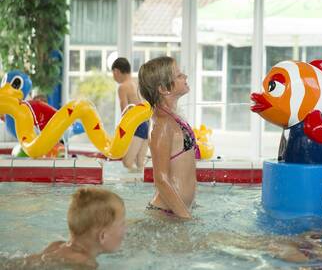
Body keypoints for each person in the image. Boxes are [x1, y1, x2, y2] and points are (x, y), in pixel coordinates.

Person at [138, 56, 199, 219]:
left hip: (177, 212)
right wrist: (186, 218)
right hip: (167, 215)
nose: (185, 77)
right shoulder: (162, 124)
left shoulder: (172, 117)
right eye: (179, 75)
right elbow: (161, 179)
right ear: (164, 89)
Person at [26, 187, 126, 269]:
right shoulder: (85, 263)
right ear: (103, 236)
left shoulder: (56, 245)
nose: (125, 230)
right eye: (122, 224)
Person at [112, 57, 149, 172]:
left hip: (137, 125)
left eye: (113, 74)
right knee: (140, 163)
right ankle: (140, 188)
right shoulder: (138, 83)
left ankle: (132, 187)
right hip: (147, 123)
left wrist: (121, 131)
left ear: (116, 71)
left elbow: (124, 109)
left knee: (127, 162)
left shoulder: (123, 87)